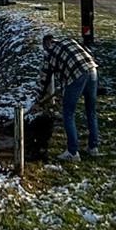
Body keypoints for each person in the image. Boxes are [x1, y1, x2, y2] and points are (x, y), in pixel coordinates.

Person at [32, 32, 99, 161]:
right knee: (91, 111)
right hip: (92, 70)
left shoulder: (49, 53)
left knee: (68, 113)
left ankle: (73, 152)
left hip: (76, 75)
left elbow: (44, 80)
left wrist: (38, 100)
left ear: (46, 44)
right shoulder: (69, 40)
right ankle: (93, 148)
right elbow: (88, 51)